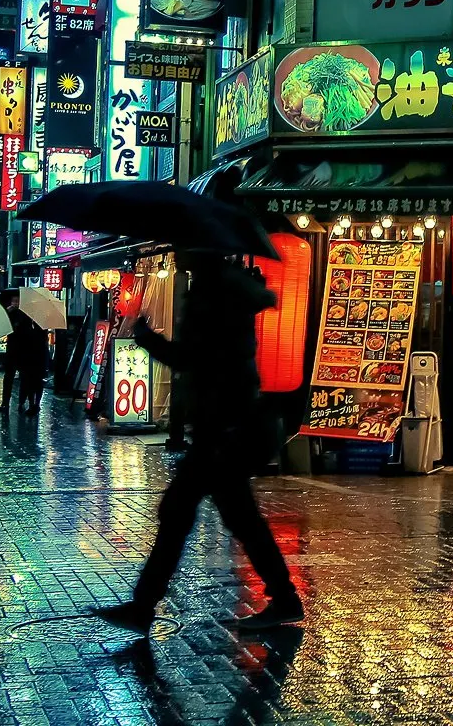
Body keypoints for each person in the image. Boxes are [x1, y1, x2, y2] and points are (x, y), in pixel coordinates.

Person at [94, 259, 299, 633]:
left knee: (188, 514)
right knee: (217, 517)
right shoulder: (221, 290)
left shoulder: (214, 294)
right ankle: (282, 598)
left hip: (223, 431)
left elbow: (194, 357)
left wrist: (147, 337)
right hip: (224, 429)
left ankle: (144, 606)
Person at [0, 294, 49, 416]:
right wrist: (7, 313)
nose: (15, 303)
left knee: (26, 378)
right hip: (12, 350)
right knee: (9, 377)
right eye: (14, 301)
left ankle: (24, 403)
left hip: (25, 352)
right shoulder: (10, 314)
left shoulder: (27, 316)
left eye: (18, 301)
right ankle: (5, 403)